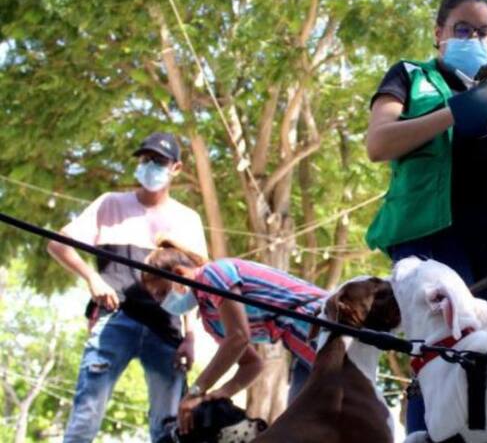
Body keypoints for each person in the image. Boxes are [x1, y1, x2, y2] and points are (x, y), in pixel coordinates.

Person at [363, 0, 487, 434]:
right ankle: (424, 434)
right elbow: (378, 143)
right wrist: (454, 113)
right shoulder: (409, 76)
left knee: (485, 359)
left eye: (483, 31)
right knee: (440, 353)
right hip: (430, 237)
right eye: (462, 28)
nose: (473, 38)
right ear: (439, 33)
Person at [47, 132, 208, 442]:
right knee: (85, 418)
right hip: (115, 320)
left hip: (166, 328)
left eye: (159, 162)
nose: (150, 167)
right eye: (146, 160)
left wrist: (190, 337)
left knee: (168, 428)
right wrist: (92, 278)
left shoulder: (187, 219)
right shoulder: (110, 204)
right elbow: (58, 244)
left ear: (176, 168)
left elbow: (194, 286)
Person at [140, 240, 327, 435]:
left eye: (162, 293)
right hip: (304, 354)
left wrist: (196, 391)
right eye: (157, 298)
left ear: (179, 274)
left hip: (325, 330)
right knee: (297, 430)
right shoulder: (211, 320)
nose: (163, 302)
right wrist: (221, 393)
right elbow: (252, 364)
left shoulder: (213, 274)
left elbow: (239, 337)